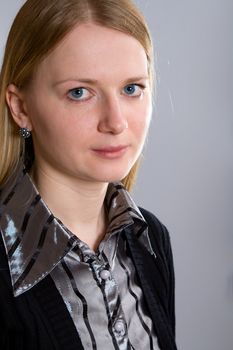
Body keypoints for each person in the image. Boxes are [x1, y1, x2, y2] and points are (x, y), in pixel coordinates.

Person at [0, 0, 177, 349]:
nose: (115, 122)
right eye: (79, 93)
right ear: (20, 107)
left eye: (131, 89)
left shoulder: (152, 239)